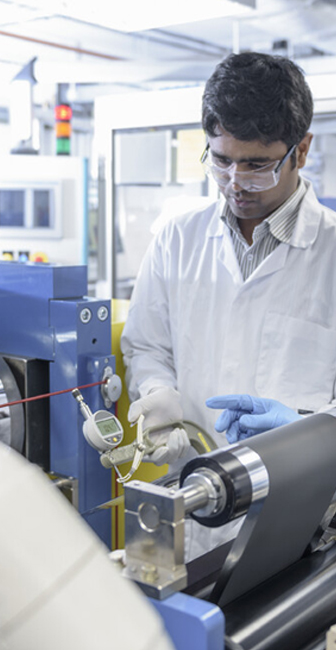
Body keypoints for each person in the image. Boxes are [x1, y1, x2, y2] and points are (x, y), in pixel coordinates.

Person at [120, 52, 336, 555]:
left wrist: (314, 432)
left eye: (257, 165)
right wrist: (157, 392)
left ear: (300, 152)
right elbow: (147, 345)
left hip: (299, 513)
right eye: (221, 160)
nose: (235, 182)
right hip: (190, 503)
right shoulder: (177, 236)